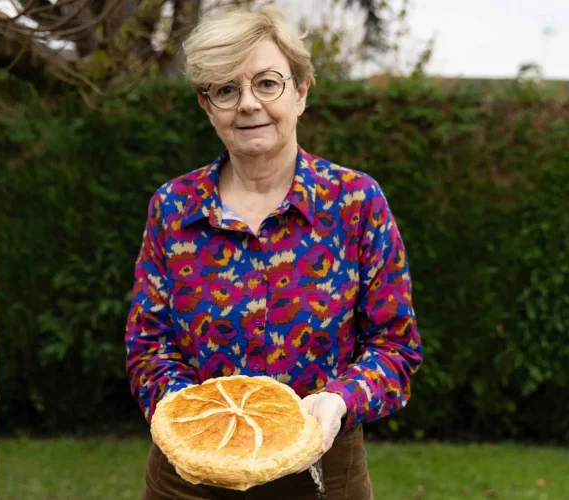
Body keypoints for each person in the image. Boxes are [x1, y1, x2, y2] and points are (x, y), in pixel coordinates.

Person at [125, 5, 423, 499]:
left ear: (302, 91)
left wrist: (337, 400)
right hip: (190, 477)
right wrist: (199, 419)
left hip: (322, 474)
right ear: (207, 104)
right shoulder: (173, 207)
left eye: (267, 83)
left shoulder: (354, 203)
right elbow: (148, 346)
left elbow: (395, 345)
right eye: (226, 89)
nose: (248, 104)